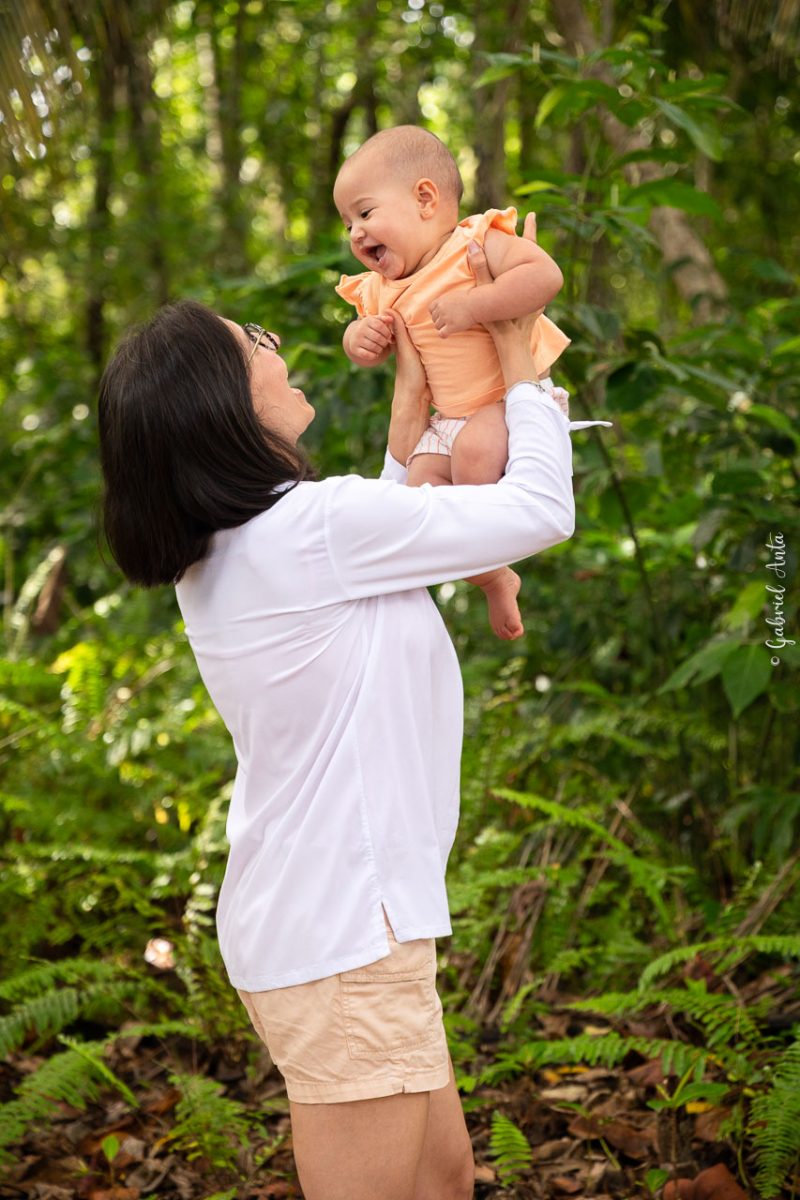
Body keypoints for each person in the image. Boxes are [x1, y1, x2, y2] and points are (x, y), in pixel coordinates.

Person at [97, 235, 606, 1200]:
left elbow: (366, 533)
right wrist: (517, 358)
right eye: (253, 340)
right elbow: (539, 508)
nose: (277, 342)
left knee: (444, 1177)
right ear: (222, 400)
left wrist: (412, 411)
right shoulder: (309, 531)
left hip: (335, 922)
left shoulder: (236, 549)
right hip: (343, 934)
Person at [334, 125, 571, 642]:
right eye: (347, 222)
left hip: (509, 402)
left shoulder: (475, 243)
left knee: (475, 459)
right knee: (418, 501)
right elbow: (359, 337)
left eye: (365, 213)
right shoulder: (381, 288)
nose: (354, 232)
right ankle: (492, 577)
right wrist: (361, 338)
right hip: (446, 421)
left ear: (425, 199)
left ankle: (498, 554)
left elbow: (545, 277)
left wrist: (475, 304)